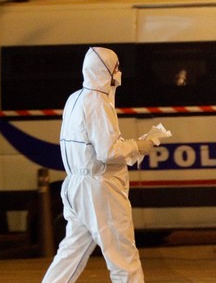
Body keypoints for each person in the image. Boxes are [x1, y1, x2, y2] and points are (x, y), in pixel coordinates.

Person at [42, 47, 154, 283]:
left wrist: (129, 148)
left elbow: (93, 145)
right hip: (100, 189)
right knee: (124, 258)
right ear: (107, 71)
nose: (119, 72)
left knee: (70, 254)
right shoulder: (99, 103)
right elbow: (108, 152)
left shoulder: (75, 98)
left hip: (76, 186)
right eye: (117, 67)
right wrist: (138, 146)